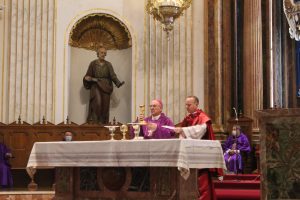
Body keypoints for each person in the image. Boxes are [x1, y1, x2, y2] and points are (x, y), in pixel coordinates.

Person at [174, 95, 222, 200]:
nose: (187, 107)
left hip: (200, 153)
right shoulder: (188, 118)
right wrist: (180, 132)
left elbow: (200, 131)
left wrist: (183, 130)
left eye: (189, 104)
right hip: (189, 151)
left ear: (196, 104)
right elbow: (182, 132)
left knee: (202, 177)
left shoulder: (202, 116)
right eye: (186, 105)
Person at [83, 46, 125, 124]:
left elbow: (113, 75)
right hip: (95, 86)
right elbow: (88, 75)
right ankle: (95, 122)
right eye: (102, 52)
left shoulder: (108, 64)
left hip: (106, 86)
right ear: (98, 53)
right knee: (97, 103)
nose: (103, 54)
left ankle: (103, 123)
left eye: (105, 53)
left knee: (105, 106)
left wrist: (118, 83)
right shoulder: (93, 64)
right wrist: (87, 79)